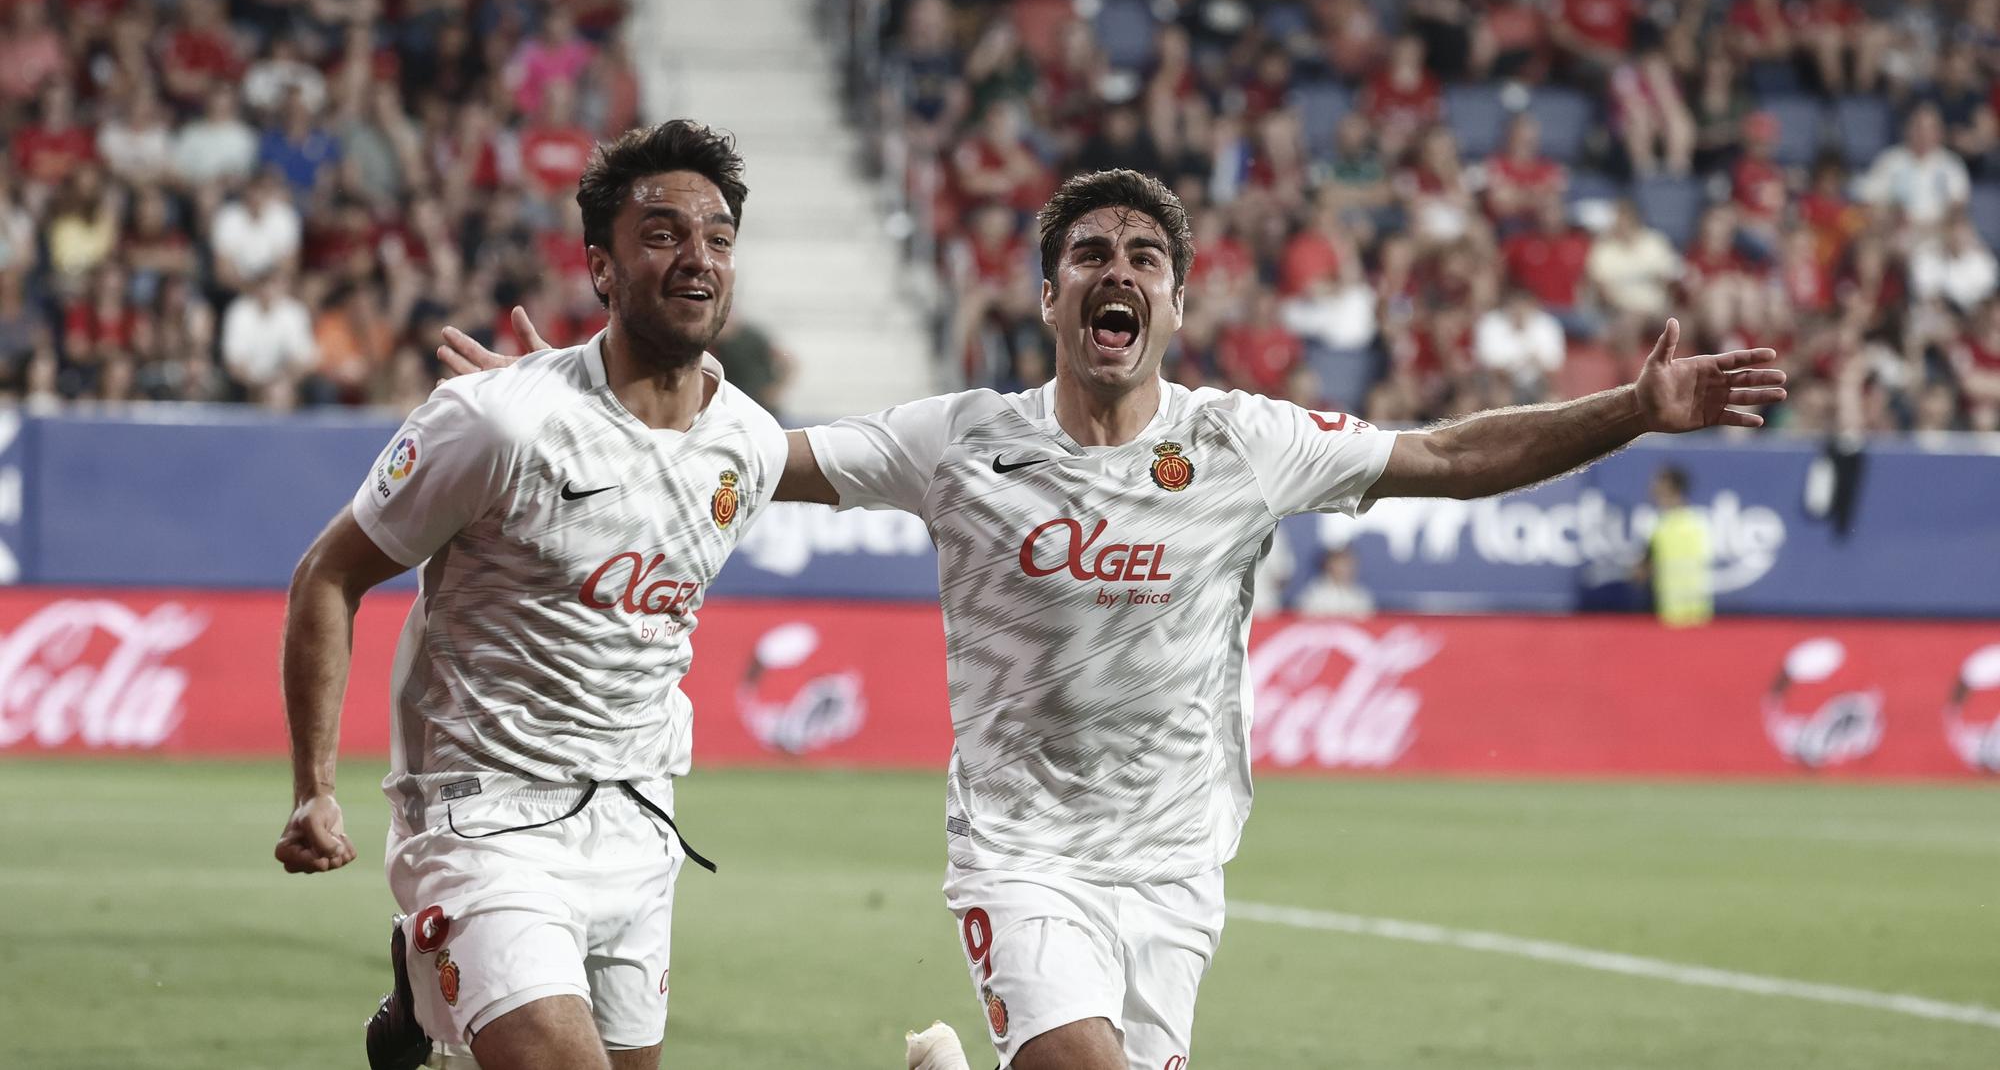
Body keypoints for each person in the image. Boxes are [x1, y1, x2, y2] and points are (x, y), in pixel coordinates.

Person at [452, 169, 1786, 1070]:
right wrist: (563, 403)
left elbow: (1444, 454)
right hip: (1024, 854)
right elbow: (736, 462)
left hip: (1178, 867)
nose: (1119, 270)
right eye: (1091, 253)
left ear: (1175, 304)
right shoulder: (960, 440)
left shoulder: (1251, 441)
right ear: (1049, 299)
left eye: (1145, 256)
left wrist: (1629, 409)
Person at [274, 121, 791, 1070]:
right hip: (482, 815)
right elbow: (329, 575)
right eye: (663, 233)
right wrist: (315, 790)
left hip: (642, 818)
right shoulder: (494, 423)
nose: (697, 258)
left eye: (718, 237)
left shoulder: (751, 443)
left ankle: (426, 1027)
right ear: (601, 266)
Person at [1640, 465, 1713, 627]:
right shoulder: (1701, 522)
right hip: (1697, 615)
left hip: (1673, 615)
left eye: (1659, 485)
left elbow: (1641, 573)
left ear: (1671, 488)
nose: (1653, 490)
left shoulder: (1660, 526)